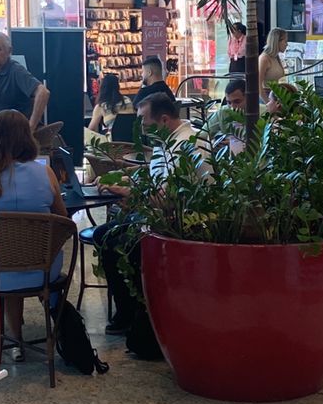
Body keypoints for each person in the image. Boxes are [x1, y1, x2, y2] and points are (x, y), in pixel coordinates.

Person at [97, 91, 209, 341]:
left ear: (164, 119)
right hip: (161, 217)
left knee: (112, 241)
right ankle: (128, 311)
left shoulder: (186, 145)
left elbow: (165, 199)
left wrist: (124, 191)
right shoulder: (166, 140)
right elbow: (154, 177)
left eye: (144, 121)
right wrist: (123, 178)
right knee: (105, 234)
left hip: (180, 224)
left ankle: (135, 313)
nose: (140, 127)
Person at [0, 110, 68, 359]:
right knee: (46, 253)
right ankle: (56, 320)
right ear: (27, 137)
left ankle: (16, 341)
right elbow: (64, 222)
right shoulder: (45, 173)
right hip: (43, 272)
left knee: (7, 262)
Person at [0, 32, 49, 130]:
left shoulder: (16, 70)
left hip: (18, 132)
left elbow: (43, 93)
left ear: (9, 51)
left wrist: (31, 127)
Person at [205, 77, 247, 152]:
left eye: (237, 102)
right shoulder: (223, 111)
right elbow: (203, 134)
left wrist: (237, 145)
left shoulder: (262, 113)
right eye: (229, 103)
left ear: (249, 98)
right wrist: (218, 139)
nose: (232, 107)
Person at [86, 72, 127, 143]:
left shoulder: (101, 106)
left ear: (102, 87)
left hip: (112, 143)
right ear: (118, 86)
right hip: (130, 141)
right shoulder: (127, 100)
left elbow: (91, 130)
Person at [259, 28, 289, 103]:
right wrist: (267, 102)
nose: (287, 44)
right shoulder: (264, 59)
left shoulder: (276, 57)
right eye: (285, 41)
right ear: (277, 42)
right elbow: (258, 84)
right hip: (266, 97)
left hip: (276, 96)